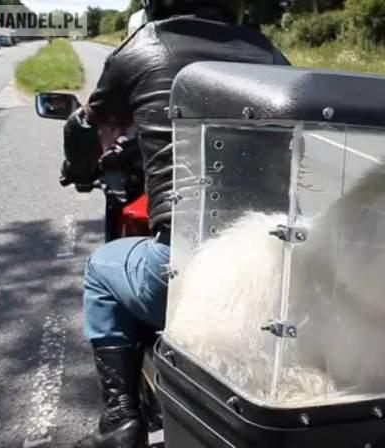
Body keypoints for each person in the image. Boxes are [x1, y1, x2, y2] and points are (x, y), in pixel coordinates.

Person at [61, 1, 290, 446]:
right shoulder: (269, 53)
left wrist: (79, 167)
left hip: (190, 269)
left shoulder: (145, 46)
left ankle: (120, 420)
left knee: (102, 268)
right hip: (275, 265)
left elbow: (92, 123)